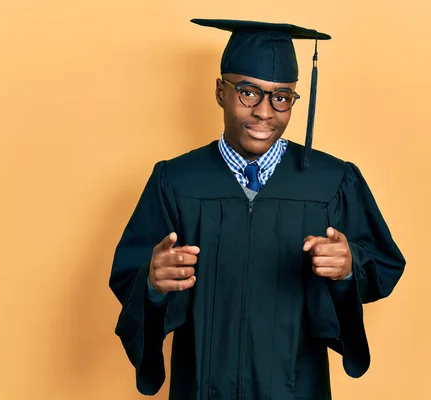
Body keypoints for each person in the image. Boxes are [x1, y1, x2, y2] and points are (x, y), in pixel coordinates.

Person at [109, 18, 406, 399]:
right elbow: (129, 275)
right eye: (248, 92)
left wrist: (349, 270)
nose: (265, 112)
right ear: (220, 91)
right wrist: (152, 283)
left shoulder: (332, 182)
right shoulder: (176, 181)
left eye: (282, 97)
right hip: (202, 387)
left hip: (296, 389)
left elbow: (382, 265)